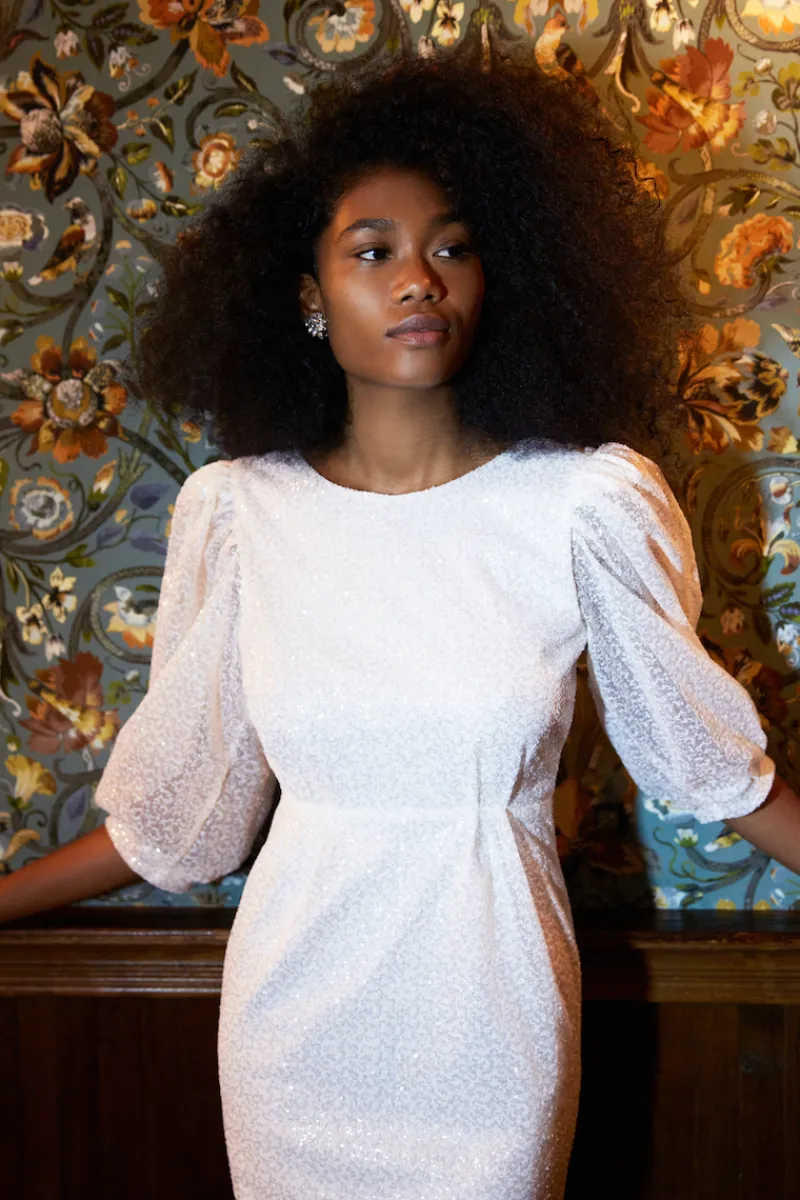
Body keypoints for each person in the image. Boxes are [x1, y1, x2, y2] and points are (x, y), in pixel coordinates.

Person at [1, 45, 799, 1200]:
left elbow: (707, 768)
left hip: (492, 1020)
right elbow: (179, 822)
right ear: (308, 298)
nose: (418, 279)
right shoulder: (238, 515)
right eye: (372, 251)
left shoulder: (580, 504)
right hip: (291, 1029)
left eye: (451, 248)